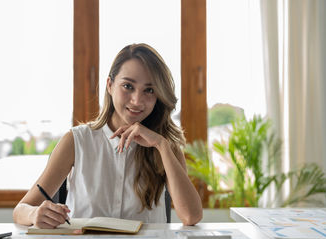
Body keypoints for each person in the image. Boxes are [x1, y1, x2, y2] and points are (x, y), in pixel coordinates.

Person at [13, 43, 203, 228]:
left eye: (149, 90)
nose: (137, 100)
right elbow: (20, 210)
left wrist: (162, 146)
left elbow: (191, 216)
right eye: (128, 86)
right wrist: (34, 213)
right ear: (110, 85)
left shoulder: (165, 145)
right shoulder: (76, 141)